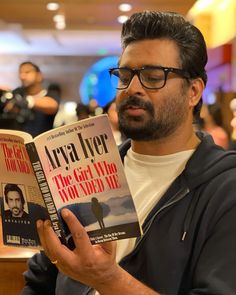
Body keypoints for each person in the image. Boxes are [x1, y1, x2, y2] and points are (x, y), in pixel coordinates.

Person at [21, 11, 236, 295]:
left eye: (153, 77)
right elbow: (40, 279)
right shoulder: (86, 168)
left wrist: (108, 280)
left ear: (193, 92)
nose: (132, 88)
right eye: (124, 75)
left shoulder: (225, 189)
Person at [5, 61, 60, 137]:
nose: (22, 76)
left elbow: (53, 106)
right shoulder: (16, 94)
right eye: (20, 73)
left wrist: (28, 101)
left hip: (42, 145)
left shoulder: (50, 94)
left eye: (27, 72)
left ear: (39, 76)